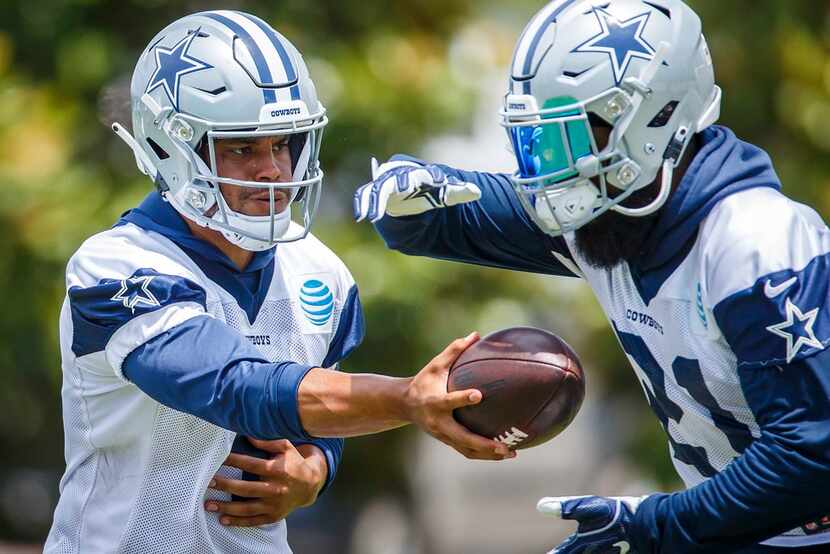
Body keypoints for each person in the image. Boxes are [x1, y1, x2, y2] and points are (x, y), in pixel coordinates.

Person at [354, 0, 830, 552]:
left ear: (659, 117)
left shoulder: (755, 240)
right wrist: (403, 188)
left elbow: (814, 454)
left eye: (579, 133)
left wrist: (652, 526)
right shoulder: (616, 212)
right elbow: (426, 224)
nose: (556, 166)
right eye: (540, 139)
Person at [45, 10, 512, 554]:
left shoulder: (321, 271)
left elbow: (318, 414)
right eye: (242, 148)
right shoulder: (115, 267)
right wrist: (405, 397)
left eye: (283, 143)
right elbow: (234, 386)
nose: (272, 169)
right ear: (173, 149)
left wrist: (316, 467)